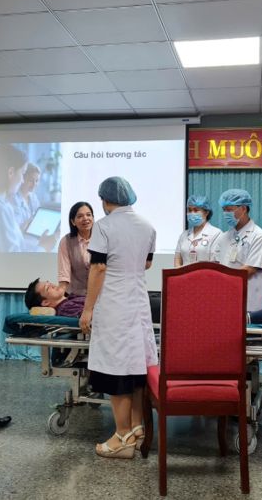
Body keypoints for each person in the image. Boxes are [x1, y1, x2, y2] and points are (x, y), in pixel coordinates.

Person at [79, 177, 156, 459]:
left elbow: (98, 269)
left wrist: (88, 309)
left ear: (105, 200)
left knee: (115, 368)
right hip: (138, 303)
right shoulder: (147, 225)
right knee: (135, 366)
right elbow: (146, 263)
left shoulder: (104, 226)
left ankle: (122, 438)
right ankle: (136, 427)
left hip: (113, 303)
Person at [0, 144, 57, 253]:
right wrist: (43, 247)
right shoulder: (1, 209)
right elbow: (15, 258)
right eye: (22, 173)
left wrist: (20, 230)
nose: (22, 180)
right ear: (11, 172)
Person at [211, 189, 262, 312]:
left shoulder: (259, 236)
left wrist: (224, 281)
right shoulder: (224, 237)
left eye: (229, 209)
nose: (225, 213)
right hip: (222, 297)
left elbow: (250, 269)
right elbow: (214, 265)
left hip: (246, 299)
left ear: (243, 208)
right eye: (224, 210)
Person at [174, 195, 221, 267]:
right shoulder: (184, 235)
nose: (192, 213)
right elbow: (177, 262)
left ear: (206, 212)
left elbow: (214, 264)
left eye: (196, 210)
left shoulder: (216, 234)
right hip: (184, 274)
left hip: (205, 274)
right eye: (189, 210)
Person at [58, 202, 94, 295]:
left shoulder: (102, 238)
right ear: (73, 222)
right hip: (75, 295)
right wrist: (59, 296)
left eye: (88, 215)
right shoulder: (66, 241)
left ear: (93, 218)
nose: (85, 218)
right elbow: (64, 273)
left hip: (100, 295)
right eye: (80, 216)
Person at [14, 163, 41, 227]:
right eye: (31, 180)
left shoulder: (33, 198)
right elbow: (16, 225)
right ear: (22, 178)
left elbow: (38, 218)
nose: (34, 184)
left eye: (37, 181)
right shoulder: (14, 198)